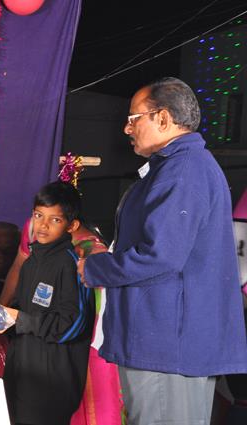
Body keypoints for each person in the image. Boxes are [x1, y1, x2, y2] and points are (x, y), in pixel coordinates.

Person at [78, 77, 247, 425]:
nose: (127, 128)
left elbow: (161, 255)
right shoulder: (178, 167)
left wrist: (96, 268)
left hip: (167, 344)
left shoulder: (183, 170)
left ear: (164, 118)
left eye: (134, 118)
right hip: (163, 340)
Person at [2, 181, 94, 425]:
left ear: (71, 226)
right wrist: (2, 319)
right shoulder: (31, 263)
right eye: (38, 215)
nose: (43, 225)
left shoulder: (70, 265)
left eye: (55, 219)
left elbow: (72, 325)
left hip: (51, 385)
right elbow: (22, 315)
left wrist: (21, 320)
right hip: (22, 375)